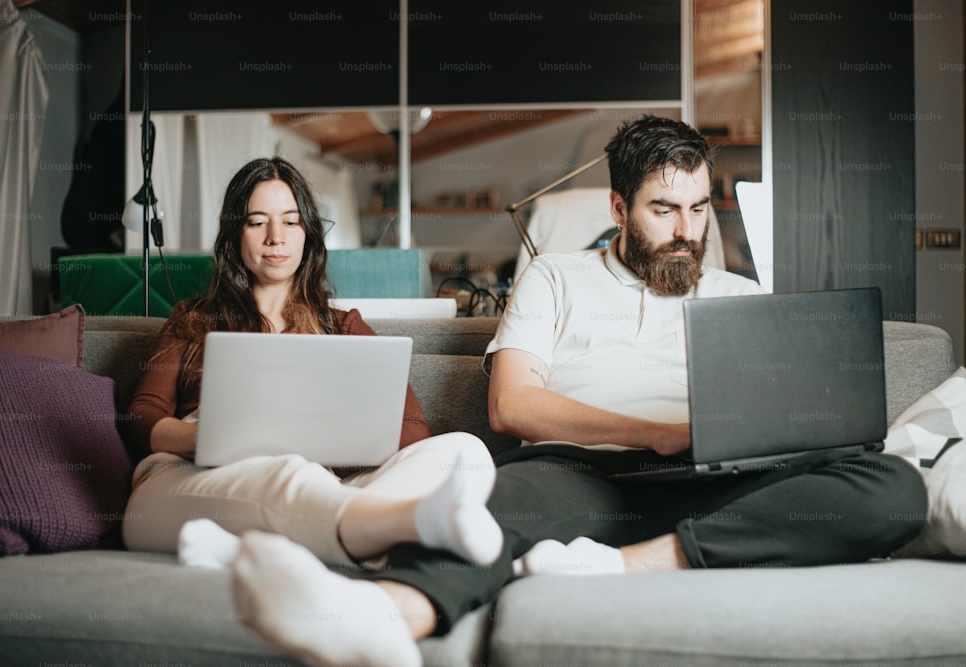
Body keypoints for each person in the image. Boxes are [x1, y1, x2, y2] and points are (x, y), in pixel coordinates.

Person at [220, 117, 928, 667]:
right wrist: (648, 430)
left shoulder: (737, 291)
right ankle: (380, 617)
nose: (686, 233)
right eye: (662, 210)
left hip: (716, 478)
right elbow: (513, 405)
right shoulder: (556, 276)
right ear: (619, 207)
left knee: (895, 485)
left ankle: (629, 563)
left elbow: (785, 413)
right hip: (584, 473)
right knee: (487, 508)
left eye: (698, 208)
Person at [119, 157, 503, 642]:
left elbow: (412, 432)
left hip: (325, 482)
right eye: (257, 222)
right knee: (287, 473)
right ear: (235, 236)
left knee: (462, 451)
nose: (275, 237)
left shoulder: (343, 326)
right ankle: (409, 524)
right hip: (186, 483)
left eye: (291, 222)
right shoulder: (191, 320)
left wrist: (324, 441)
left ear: (308, 236)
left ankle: (250, 550)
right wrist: (198, 437)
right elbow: (139, 415)